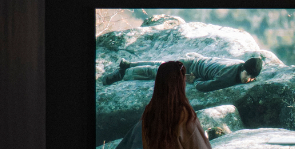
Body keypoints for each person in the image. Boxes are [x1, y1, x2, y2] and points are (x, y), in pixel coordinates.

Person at [104, 54, 264, 91]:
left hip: (197, 60)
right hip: (193, 70)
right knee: (157, 71)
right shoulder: (228, 77)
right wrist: (194, 80)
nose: (248, 79)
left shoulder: (238, 64)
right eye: (247, 75)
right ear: (243, 68)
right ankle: (122, 74)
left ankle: (128, 64)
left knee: (163, 64)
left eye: (252, 78)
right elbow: (203, 87)